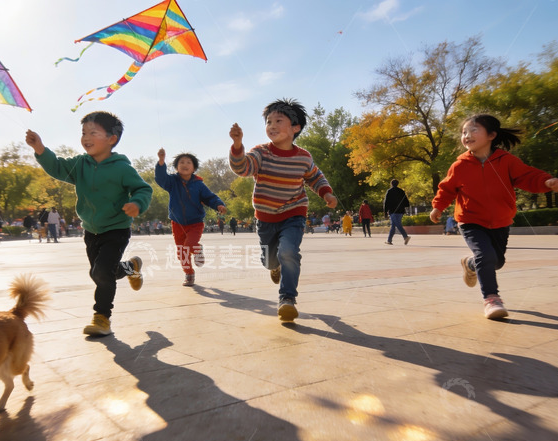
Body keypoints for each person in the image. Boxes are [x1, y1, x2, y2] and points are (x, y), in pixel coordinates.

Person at [26, 111, 153, 336]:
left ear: (111, 139)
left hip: (116, 228)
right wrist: (40, 149)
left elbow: (143, 188)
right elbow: (56, 167)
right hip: (91, 230)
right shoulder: (80, 164)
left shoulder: (121, 168)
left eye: (93, 133)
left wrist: (136, 203)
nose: (86, 137)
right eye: (83, 133)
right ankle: (130, 267)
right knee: (99, 273)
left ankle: (102, 317)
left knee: (102, 272)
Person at [430, 114, 558, 320]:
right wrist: (438, 207)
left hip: (500, 221)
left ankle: (470, 264)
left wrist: (547, 182)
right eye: (464, 132)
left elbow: (528, 176)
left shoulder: (506, 161)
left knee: (497, 261)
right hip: (470, 220)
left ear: (492, 135)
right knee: (486, 255)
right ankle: (492, 299)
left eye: (474, 130)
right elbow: (447, 188)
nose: (467, 135)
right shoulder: (459, 165)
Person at [229, 98, 337, 322]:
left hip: (294, 212)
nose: (272, 125)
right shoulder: (261, 152)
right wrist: (238, 146)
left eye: (279, 120)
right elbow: (243, 168)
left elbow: (315, 176)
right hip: (266, 217)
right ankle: (274, 267)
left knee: (288, 251)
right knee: (269, 260)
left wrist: (326, 192)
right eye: (269, 121)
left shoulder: (303, 157)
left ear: (295, 128)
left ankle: (287, 299)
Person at [155, 148, 227, 286]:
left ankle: (198, 249)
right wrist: (161, 162)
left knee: (189, 245)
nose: (185, 164)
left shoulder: (199, 184)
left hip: (195, 223)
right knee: (182, 251)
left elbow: (209, 197)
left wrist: (219, 205)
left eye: (188, 162)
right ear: (176, 167)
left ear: (194, 168)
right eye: (181, 162)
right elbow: (160, 179)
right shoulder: (172, 182)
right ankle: (188, 273)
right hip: (177, 223)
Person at [383, 179, 411, 245]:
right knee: (393, 225)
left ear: (391, 184)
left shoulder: (389, 191)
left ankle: (405, 236)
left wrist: (385, 212)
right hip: (401, 211)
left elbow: (386, 203)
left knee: (397, 224)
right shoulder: (401, 191)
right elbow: (407, 203)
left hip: (393, 211)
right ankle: (389, 240)